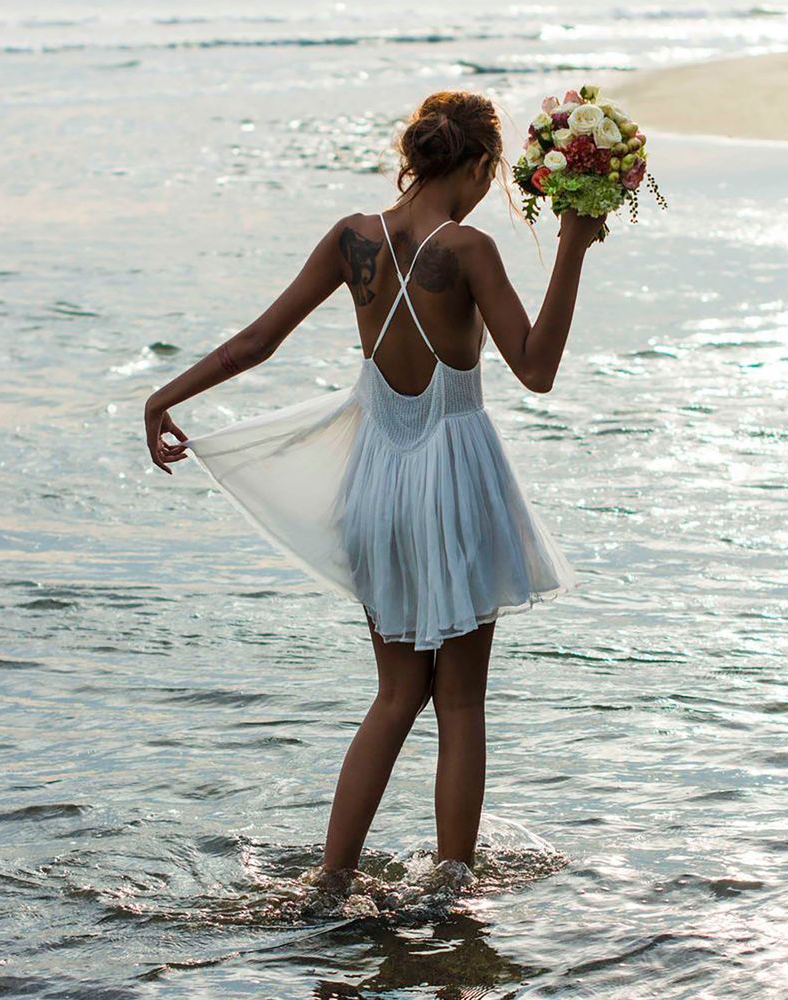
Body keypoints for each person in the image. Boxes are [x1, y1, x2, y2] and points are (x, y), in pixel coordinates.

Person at [144, 90, 604, 877]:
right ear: (479, 164)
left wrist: (164, 397)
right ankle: (453, 892)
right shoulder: (469, 251)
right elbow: (537, 369)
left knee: (395, 696)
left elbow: (259, 339)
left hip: (377, 488)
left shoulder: (351, 240)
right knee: (458, 702)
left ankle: (332, 877)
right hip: (454, 482)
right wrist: (572, 246)